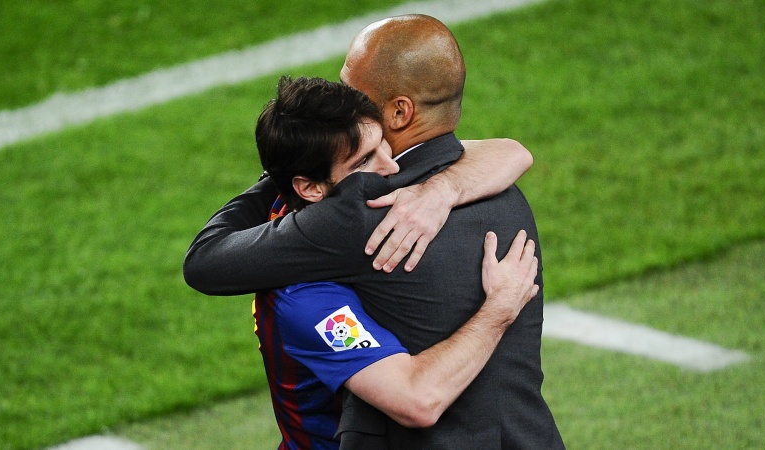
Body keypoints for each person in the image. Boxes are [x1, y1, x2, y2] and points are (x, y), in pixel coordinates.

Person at [185, 14, 564, 449]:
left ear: (399, 111)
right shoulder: (505, 193)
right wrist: (445, 186)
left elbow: (205, 263)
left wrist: (284, 166)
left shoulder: (357, 213)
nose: (341, 99)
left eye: (352, 90)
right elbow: (510, 151)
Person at [250, 76, 540, 449]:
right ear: (310, 188)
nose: (392, 167)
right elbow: (419, 401)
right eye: (365, 160)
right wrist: (500, 308)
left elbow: (510, 152)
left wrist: (443, 188)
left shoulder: (315, 208)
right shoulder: (305, 297)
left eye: (382, 143)